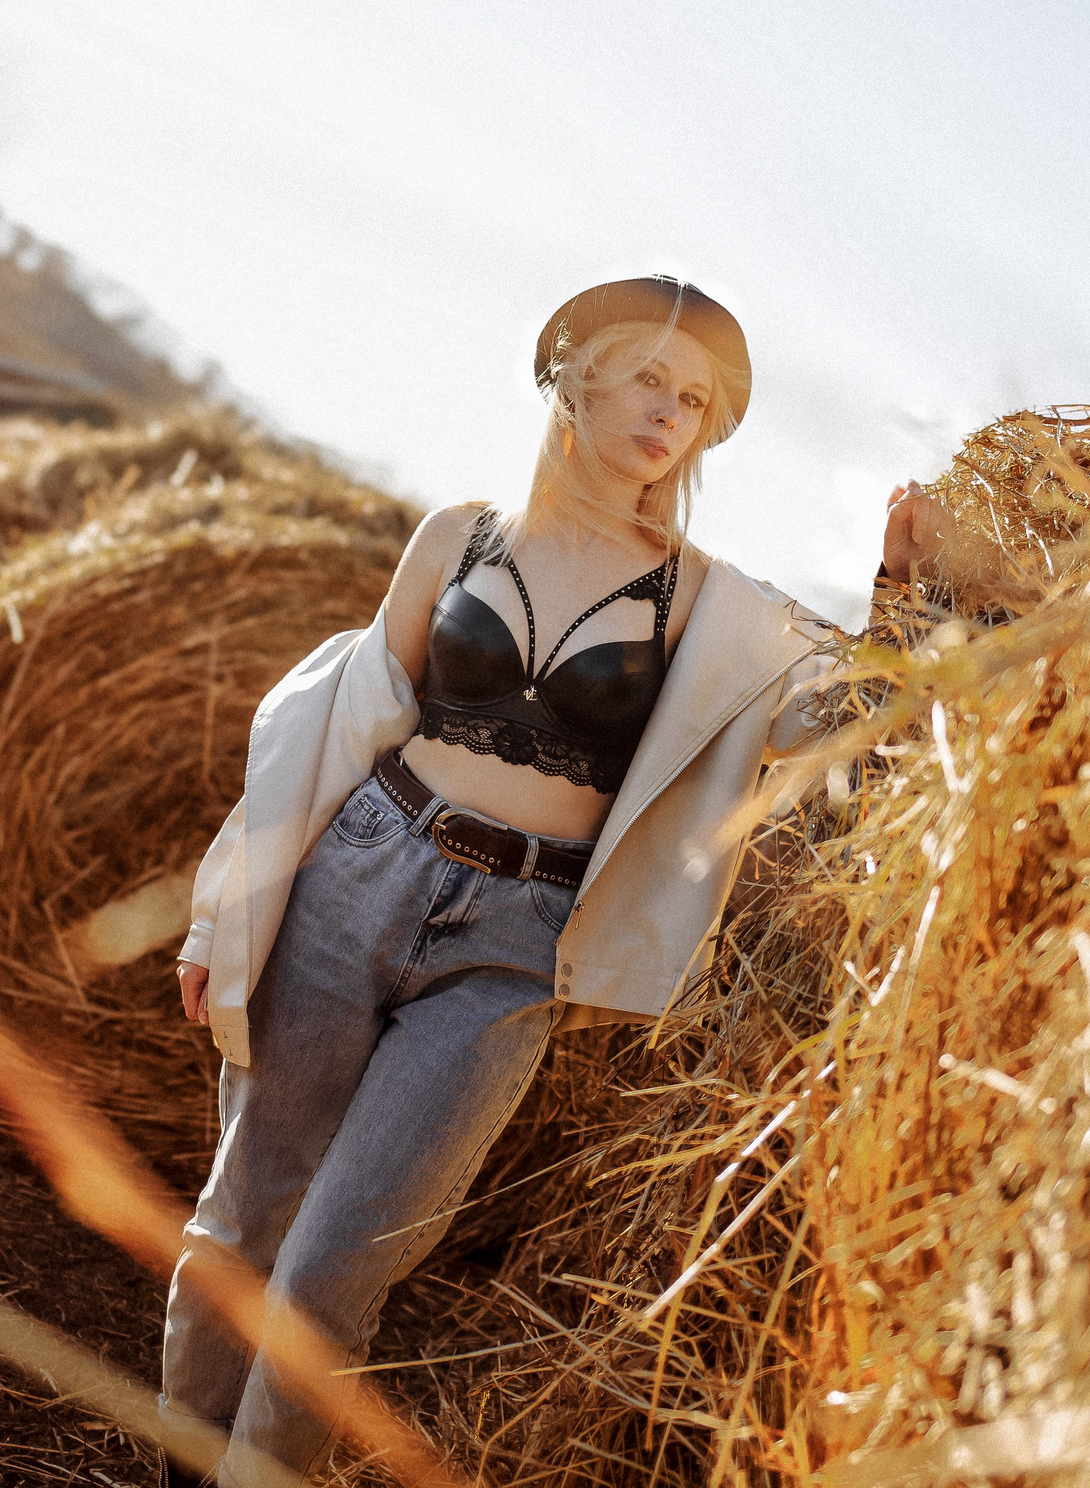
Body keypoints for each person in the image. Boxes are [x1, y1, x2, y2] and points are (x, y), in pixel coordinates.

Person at [155, 277, 946, 1482]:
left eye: (693, 399)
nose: (667, 413)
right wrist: (230, 910)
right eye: (647, 379)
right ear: (575, 379)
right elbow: (333, 724)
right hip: (358, 869)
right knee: (245, 1211)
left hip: (518, 941)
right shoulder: (459, 534)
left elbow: (846, 715)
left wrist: (906, 592)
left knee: (337, 1265)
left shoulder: (708, 606)